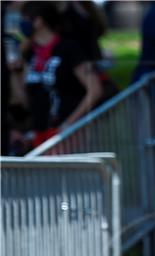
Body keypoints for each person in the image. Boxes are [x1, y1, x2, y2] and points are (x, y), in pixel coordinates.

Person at [19, 1, 103, 149]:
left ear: (38, 21)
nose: (22, 23)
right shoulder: (30, 53)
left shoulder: (68, 48)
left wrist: (69, 124)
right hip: (40, 134)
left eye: (25, 18)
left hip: (66, 134)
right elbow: (24, 96)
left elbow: (95, 89)